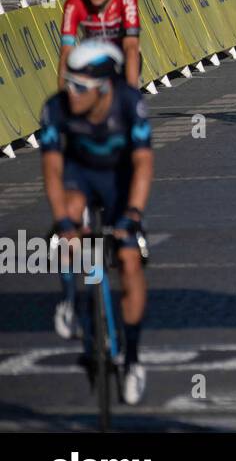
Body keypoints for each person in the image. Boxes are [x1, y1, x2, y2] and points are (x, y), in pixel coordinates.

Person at [40, 41, 153, 406]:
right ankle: (70, 301)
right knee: (68, 221)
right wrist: (63, 222)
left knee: (131, 263)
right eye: (68, 82)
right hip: (79, 177)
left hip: (119, 183)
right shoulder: (56, 108)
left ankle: (132, 358)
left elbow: (143, 165)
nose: (68, 91)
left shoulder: (129, 103)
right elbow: (53, 171)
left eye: (78, 86)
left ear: (103, 87)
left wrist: (133, 215)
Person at [60, 0, 141, 89]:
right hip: (92, 58)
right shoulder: (73, 4)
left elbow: (131, 47)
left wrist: (132, 93)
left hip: (122, 56)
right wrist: (62, 100)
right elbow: (66, 53)